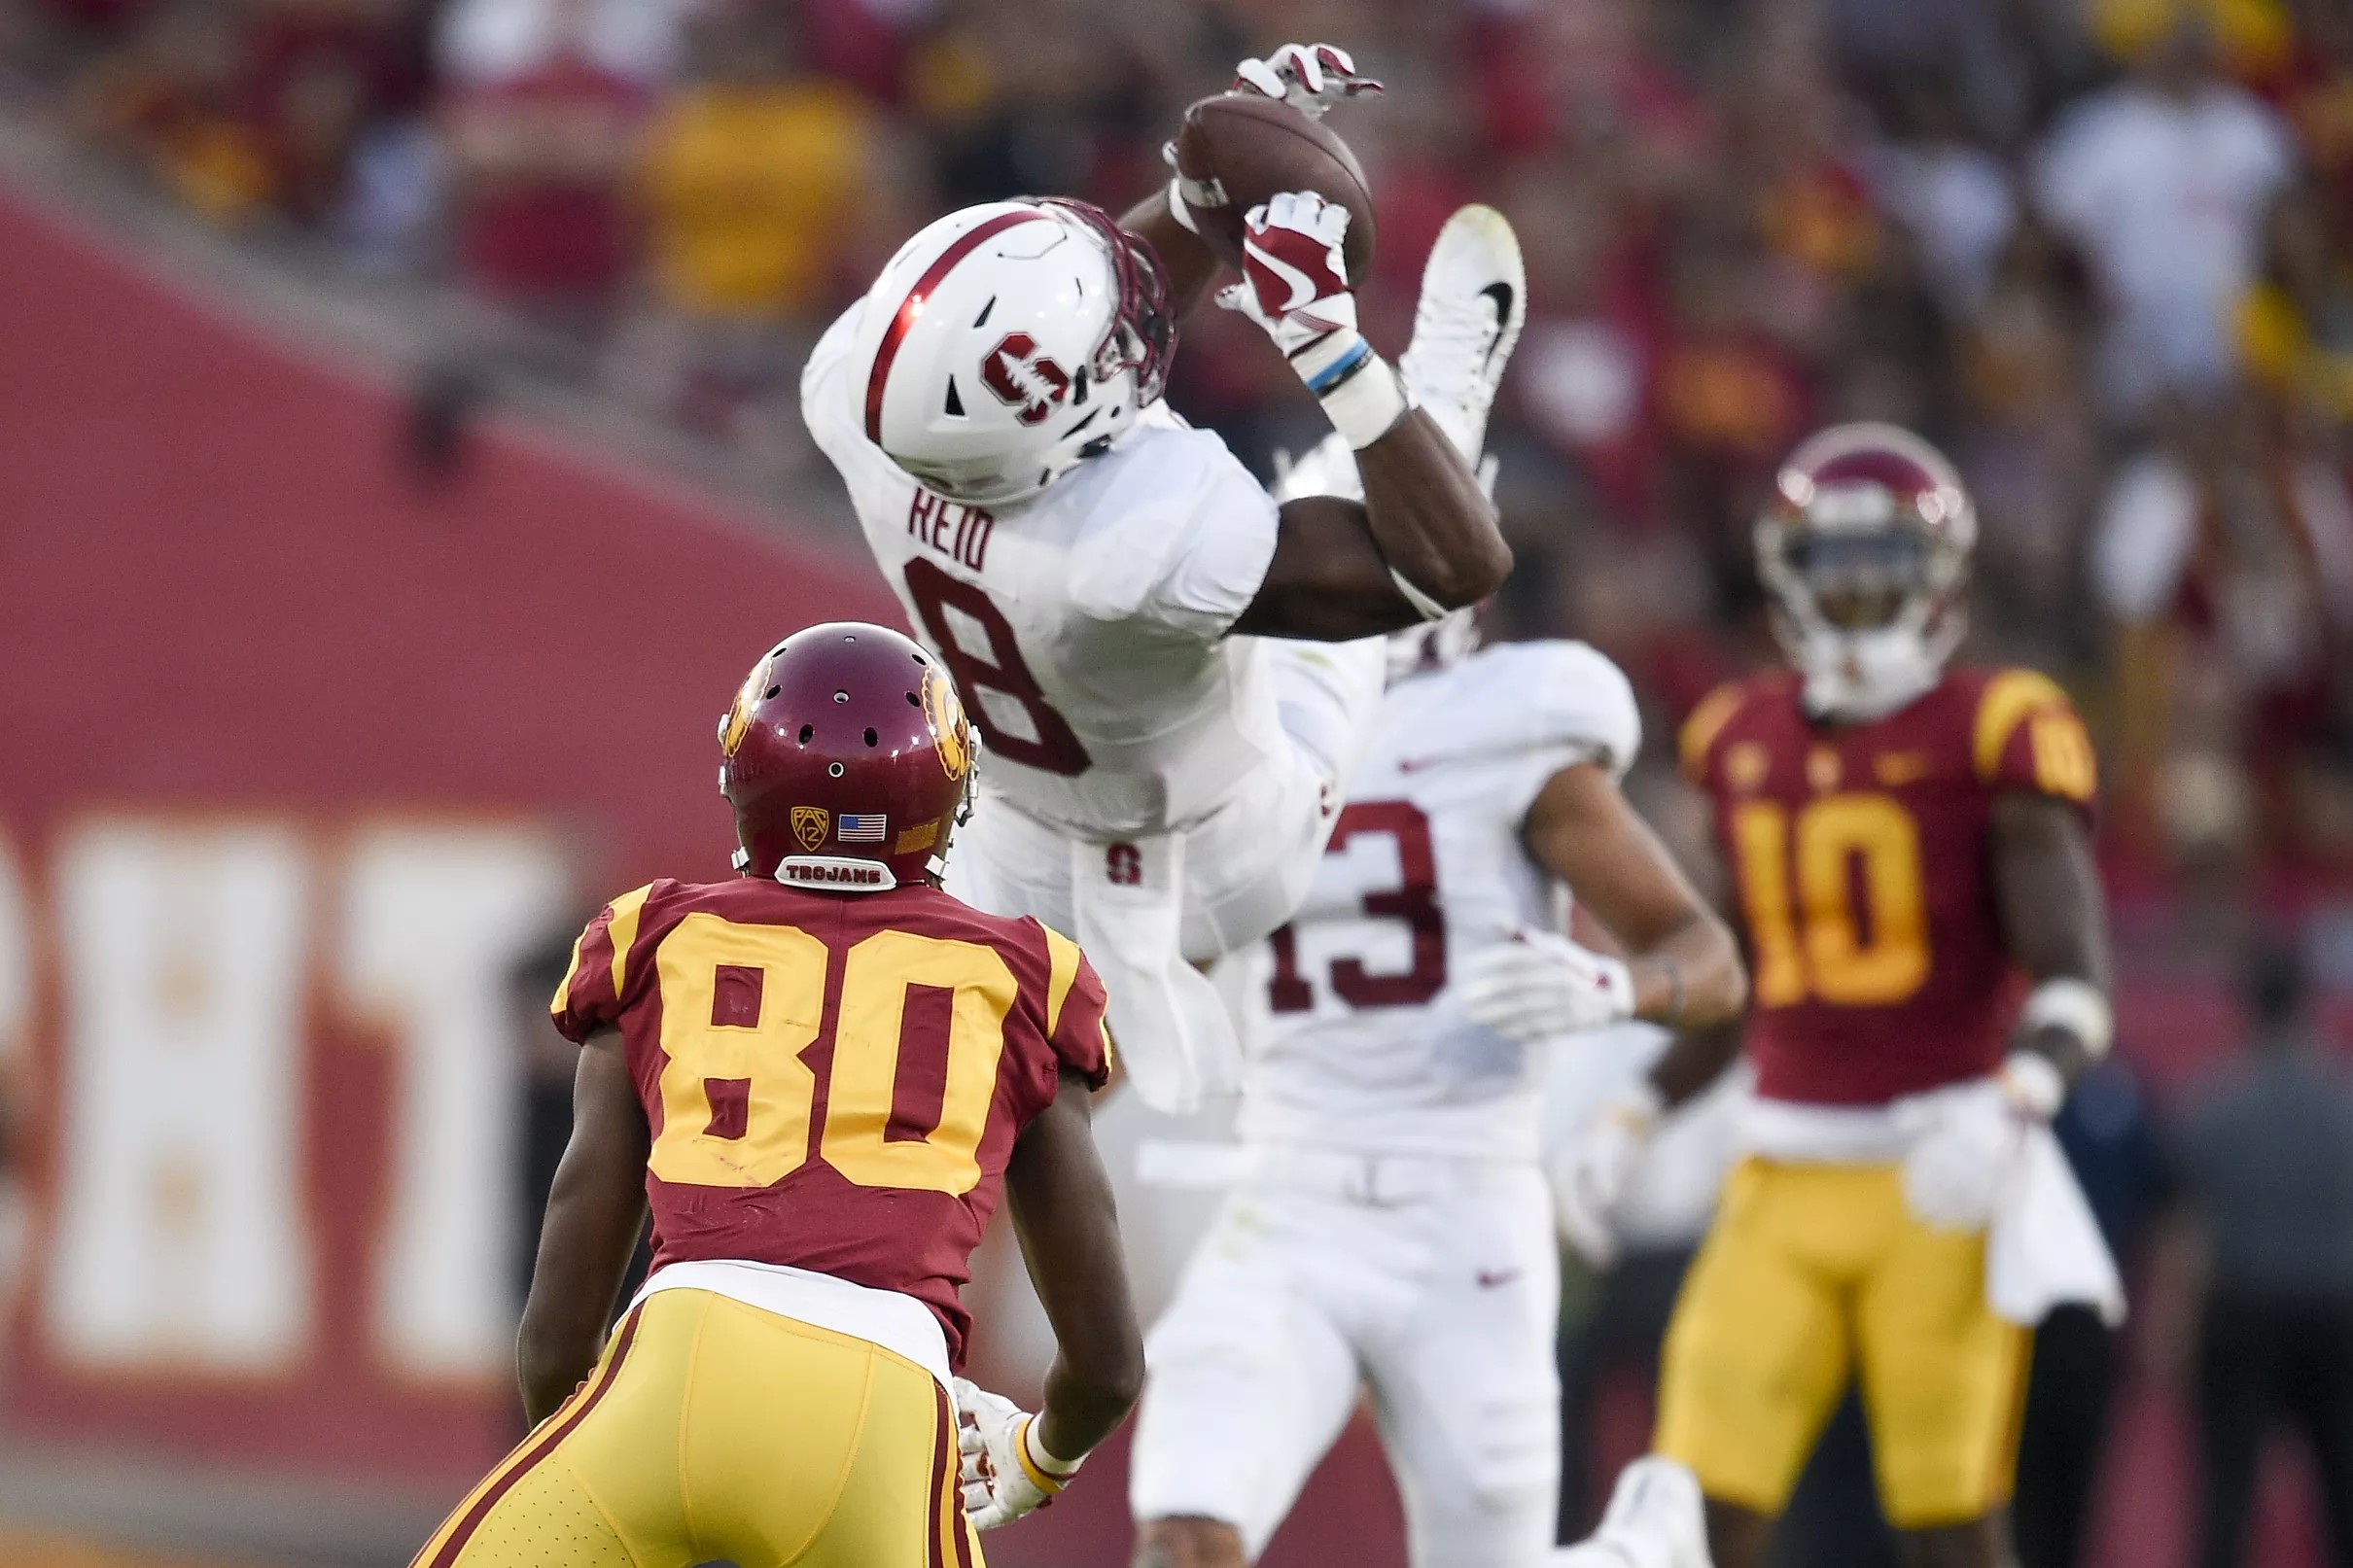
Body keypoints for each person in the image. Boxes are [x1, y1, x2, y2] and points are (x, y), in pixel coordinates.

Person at [800, 41, 1521, 1113]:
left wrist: (1203, 193)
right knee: (1340, 636)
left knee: (989, 1147)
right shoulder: (1139, 535)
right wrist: (1326, 346)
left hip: (1007, 846)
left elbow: (1070, 347)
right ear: (1076, 416)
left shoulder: (859, 402)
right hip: (1221, 857)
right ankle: (1441, 394)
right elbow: (1456, 565)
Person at [409, 622, 1142, 1566]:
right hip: (880, 1412)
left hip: (669, 1365)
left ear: (743, 772)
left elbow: (555, 1332)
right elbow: (1106, 1362)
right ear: (946, 791)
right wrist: (1035, 1458)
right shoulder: (1026, 978)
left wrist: (608, 1457)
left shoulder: (653, 937)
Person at [1547, 424, 2119, 1568]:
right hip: (1779, 1170)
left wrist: (2010, 1095)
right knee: (1694, 1496)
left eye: (1883, 568)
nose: (1857, 595)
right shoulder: (1738, 738)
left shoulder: (1997, 727)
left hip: (1936, 1169)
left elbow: (2077, 984)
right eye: (1834, 568)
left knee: (1947, 1520)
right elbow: (1749, 981)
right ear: (1782, 573)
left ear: (1941, 576)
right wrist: (1629, 1114)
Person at [1125, 592, 1747, 1568]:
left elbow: (1707, 959)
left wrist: (1611, 985)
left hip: (1464, 1215)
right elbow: (1160, 978)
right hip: (1284, 1199)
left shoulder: (1511, 725)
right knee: (1182, 1534)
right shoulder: (1246, 728)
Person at [2174, 937, 2353, 1568]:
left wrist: (2173, 1331)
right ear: (2309, 1007)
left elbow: (2186, 1233)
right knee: (2344, 1491)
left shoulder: (2213, 1107)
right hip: (2337, 1312)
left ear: (2248, 1009)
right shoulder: (2343, 1107)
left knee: (2227, 1491)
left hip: (2242, 1313)